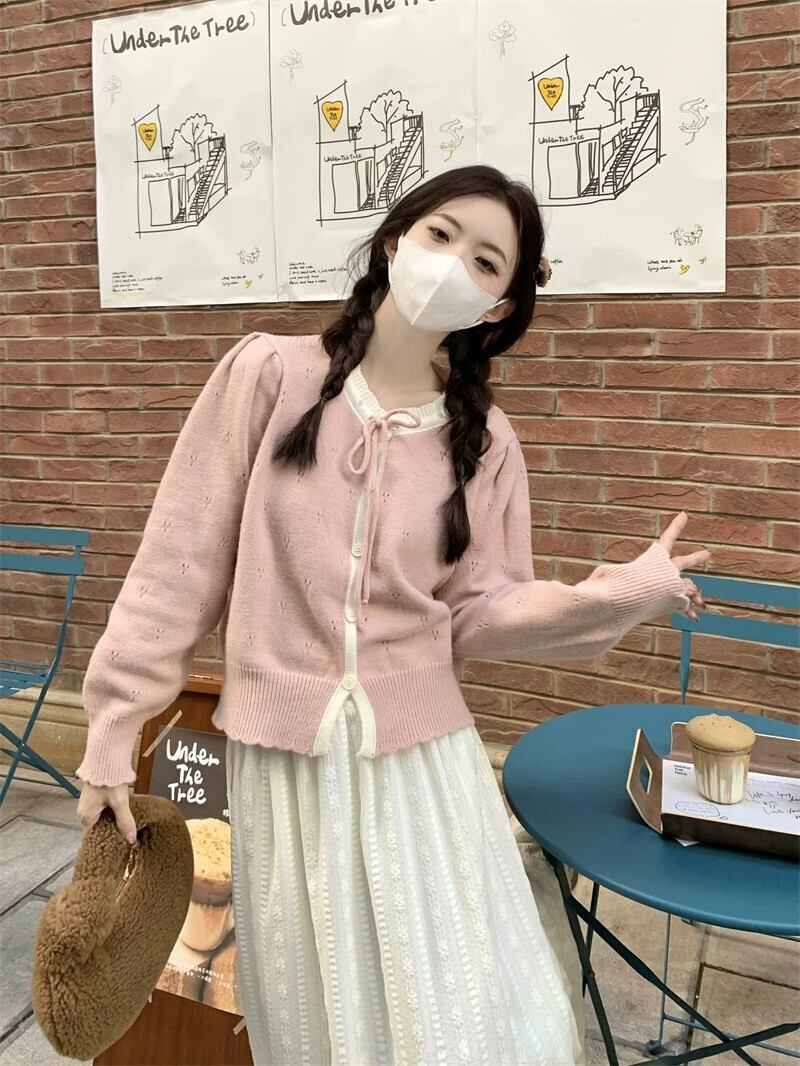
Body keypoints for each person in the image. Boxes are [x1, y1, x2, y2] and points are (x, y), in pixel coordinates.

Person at [76, 164, 708, 1065]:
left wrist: (615, 595)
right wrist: (112, 730)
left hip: (423, 760)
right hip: (284, 762)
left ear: (498, 305)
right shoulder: (268, 375)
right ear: (394, 239)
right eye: (441, 234)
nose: (453, 263)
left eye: (486, 261)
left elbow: (482, 612)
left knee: (470, 1011)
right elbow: (178, 568)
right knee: (316, 1010)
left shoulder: (486, 443)